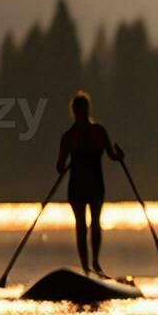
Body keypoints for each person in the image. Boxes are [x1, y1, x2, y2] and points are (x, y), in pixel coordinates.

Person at [56, 91, 124, 276]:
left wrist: (120, 156)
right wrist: (65, 165)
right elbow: (59, 165)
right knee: (81, 225)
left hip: (95, 185)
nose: (82, 115)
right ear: (75, 112)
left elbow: (112, 155)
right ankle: (85, 266)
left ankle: (95, 263)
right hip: (77, 187)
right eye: (79, 112)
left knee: (95, 223)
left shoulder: (99, 132)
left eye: (84, 111)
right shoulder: (68, 136)